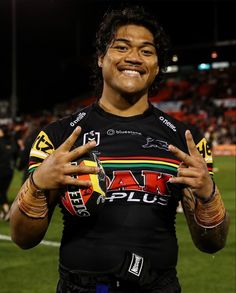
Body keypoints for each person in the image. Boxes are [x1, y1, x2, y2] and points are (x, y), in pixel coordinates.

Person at [10, 6, 230, 293]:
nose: (134, 58)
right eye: (122, 47)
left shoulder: (185, 139)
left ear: (157, 65)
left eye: (147, 51)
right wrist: (38, 184)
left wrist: (208, 193)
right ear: (101, 58)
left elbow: (212, 243)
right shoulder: (58, 136)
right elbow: (22, 237)